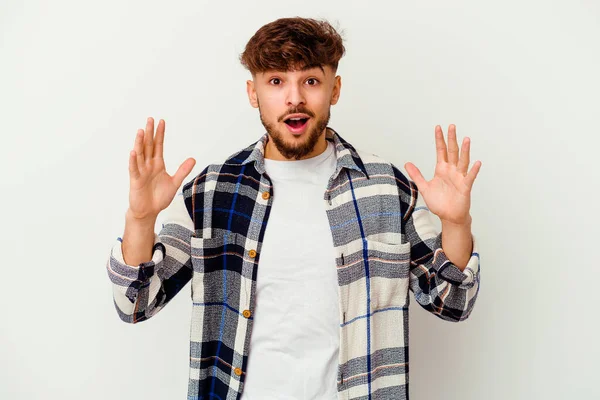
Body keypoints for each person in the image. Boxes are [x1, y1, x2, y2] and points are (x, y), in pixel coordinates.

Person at [106, 16, 482, 400]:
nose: (295, 98)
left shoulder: (386, 188)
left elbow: (452, 301)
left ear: (334, 90)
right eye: (276, 81)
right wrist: (140, 218)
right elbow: (135, 303)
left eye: (311, 81)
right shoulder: (212, 192)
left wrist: (456, 222)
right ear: (253, 93)